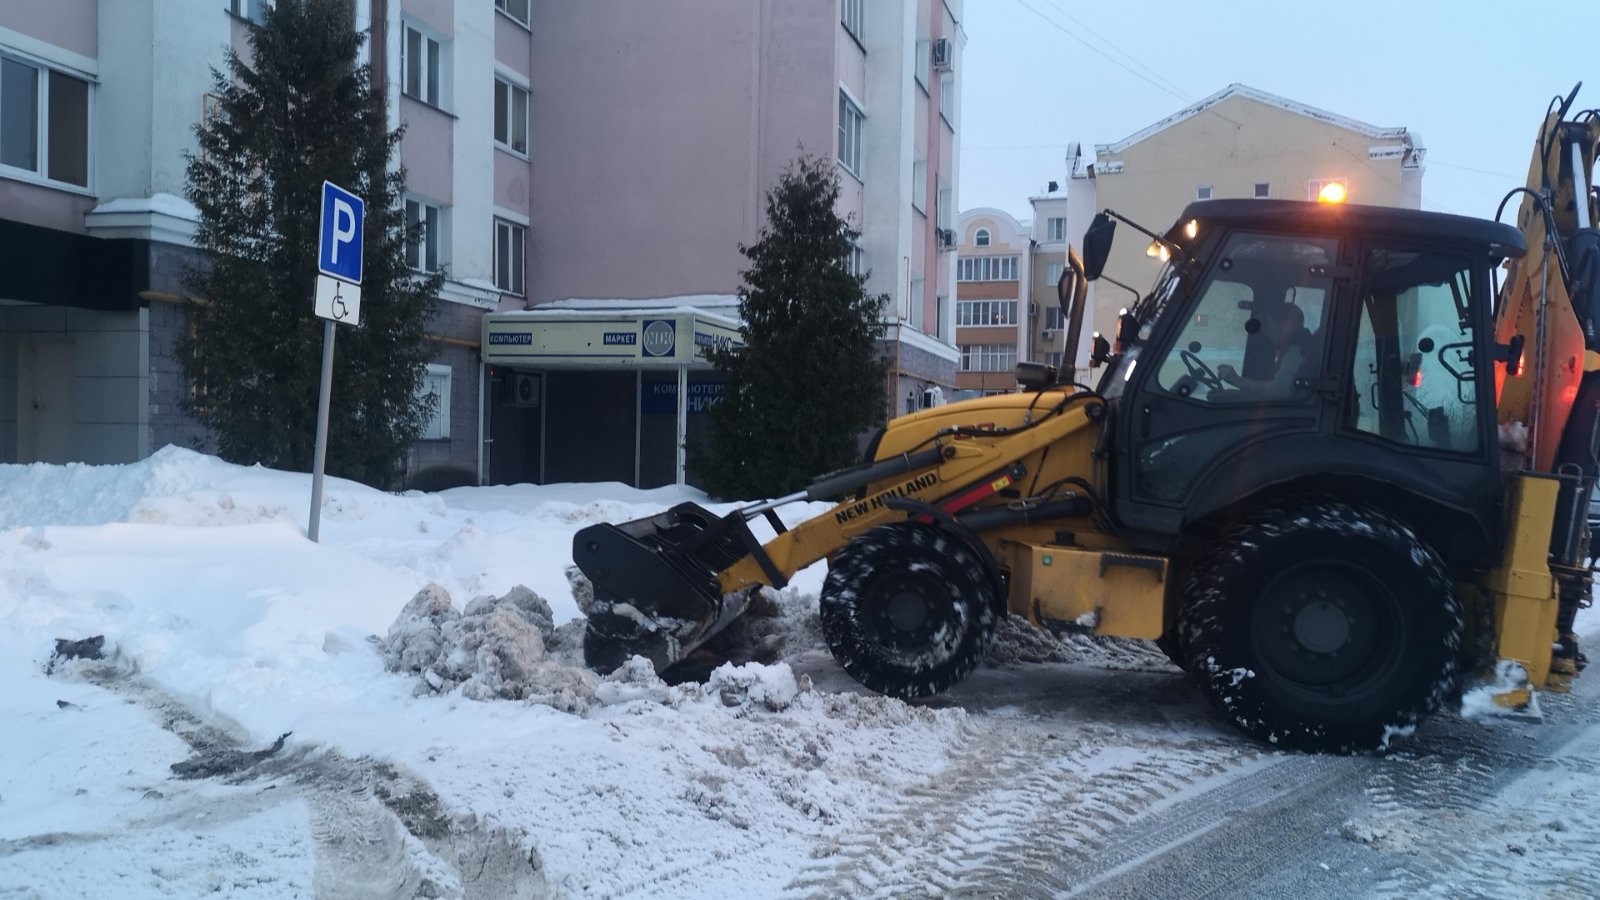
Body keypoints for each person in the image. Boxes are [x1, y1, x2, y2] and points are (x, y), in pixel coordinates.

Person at [1216, 304, 1311, 400]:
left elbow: (1282, 390)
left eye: (1268, 324)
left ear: (1285, 324)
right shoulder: (1295, 348)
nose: (1265, 331)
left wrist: (1236, 380)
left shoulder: (1297, 351)